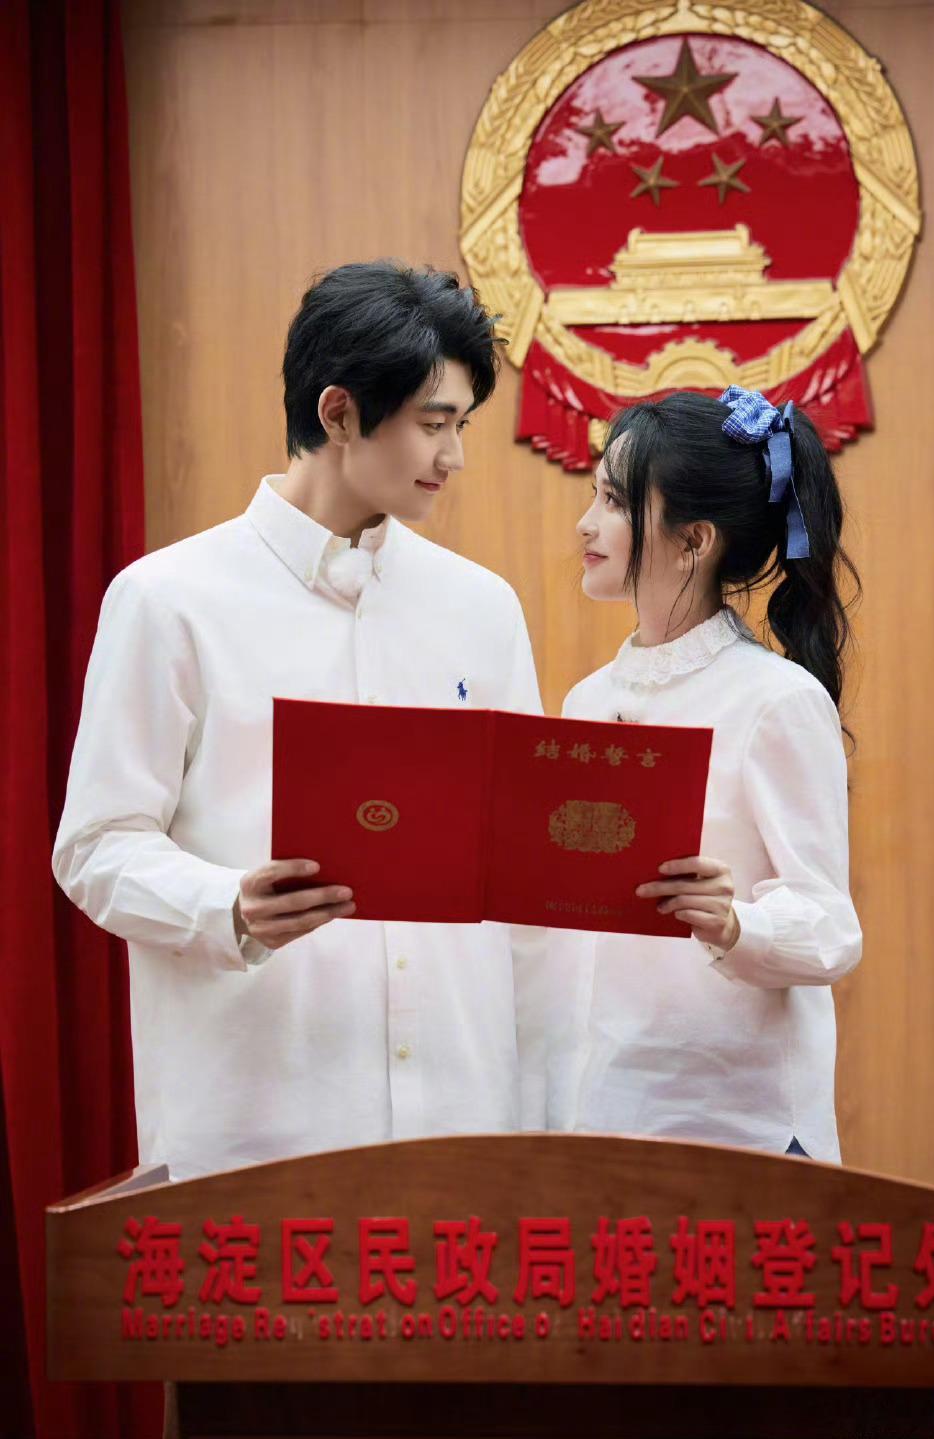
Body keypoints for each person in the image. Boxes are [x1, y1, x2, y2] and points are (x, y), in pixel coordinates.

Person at [53, 261, 544, 1180]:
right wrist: (227, 905)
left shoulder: (483, 608)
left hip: (463, 1116)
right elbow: (94, 846)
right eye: (434, 423)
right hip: (256, 1121)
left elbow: (522, 866)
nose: (454, 457)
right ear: (339, 413)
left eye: (462, 425)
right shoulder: (168, 600)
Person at [547, 386, 863, 1161]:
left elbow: (831, 928)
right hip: (604, 1110)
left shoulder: (776, 700)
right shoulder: (587, 701)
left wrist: (734, 923)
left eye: (614, 501)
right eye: (595, 494)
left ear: (693, 540)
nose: (586, 523)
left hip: (740, 1129)